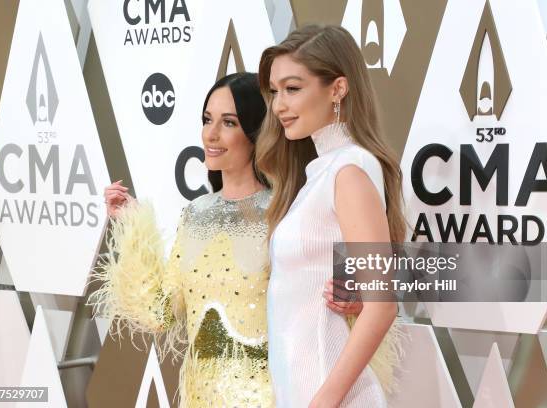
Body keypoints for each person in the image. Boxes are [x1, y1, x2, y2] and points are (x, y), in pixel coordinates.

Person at [90, 72, 361, 407]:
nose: (211, 134)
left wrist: (357, 299)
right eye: (207, 120)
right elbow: (159, 313)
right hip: (201, 397)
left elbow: (332, 301)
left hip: (272, 397)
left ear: (256, 132)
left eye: (229, 123)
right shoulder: (196, 214)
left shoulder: (287, 211)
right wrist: (131, 225)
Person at [256, 25, 406, 407]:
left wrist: (324, 400)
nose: (278, 106)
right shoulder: (320, 172)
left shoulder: (349, 169)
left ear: (337, 89)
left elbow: (383, 304)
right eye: (275, 91)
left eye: (292, 89)